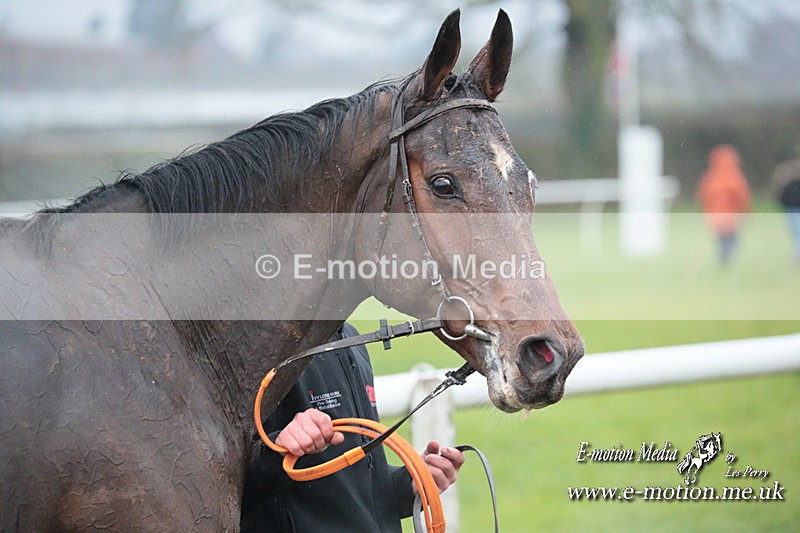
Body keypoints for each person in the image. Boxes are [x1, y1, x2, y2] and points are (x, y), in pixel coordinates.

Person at [240, 323, 464, 532]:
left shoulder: (350, 336)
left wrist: (410, 483)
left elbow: (355, 479)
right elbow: (223, 486)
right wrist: (280, 448)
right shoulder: (261, 342)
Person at [697, 145, 752, 265]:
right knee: (732, 239)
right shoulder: (734, 176)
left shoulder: (711, 176)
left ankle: (723, 258)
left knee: (722, 239)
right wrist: (746, 211)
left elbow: (703, 196)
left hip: (714, 215)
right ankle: (726, 259)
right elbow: (742, 196)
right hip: (731, 215)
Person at [771, 157, 800, 263]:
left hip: (791, 212)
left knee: (797, 234)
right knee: (797, 234)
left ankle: (797, 255)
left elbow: (780, 198)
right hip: (792, 211)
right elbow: (781, 198)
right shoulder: (790, 184)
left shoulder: (789, 184)